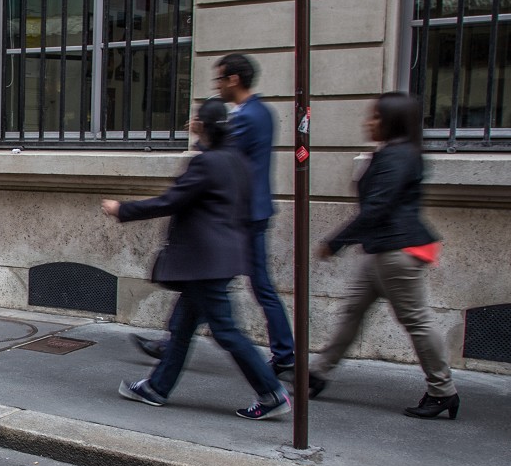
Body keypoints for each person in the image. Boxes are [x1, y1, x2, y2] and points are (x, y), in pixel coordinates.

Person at [104, 98, 291, 421]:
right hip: (219, 260)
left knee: (227, 331)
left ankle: (271, 391)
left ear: (204, 127)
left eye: (196, 122)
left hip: (205, 262)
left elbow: (172, 201)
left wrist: (124, 209)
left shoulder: (209, 163)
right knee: (181, 327)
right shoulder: (238, 160)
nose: (192, 126)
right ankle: (157, 388)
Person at [130, 55, 296, 377]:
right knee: (211, 287)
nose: (217, 85)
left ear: (233, 80)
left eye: (219, 79)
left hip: (245, 216)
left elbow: (221, 155)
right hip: (248, 212)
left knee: (249, 288)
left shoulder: (248, 118)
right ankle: (171, 347)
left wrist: (203, 132)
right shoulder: (260, 112)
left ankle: (282, 357)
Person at [309, 92, 457, 420]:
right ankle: (317, 374)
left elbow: (377, 206)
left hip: (398, 251)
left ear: (392, 121)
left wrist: (337, 242)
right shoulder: (393, 154)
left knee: (416, 320)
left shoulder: (398, 156)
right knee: (351, 312)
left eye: (375, 116)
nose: (368, 122)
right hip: (382, 250)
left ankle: (443, 390)